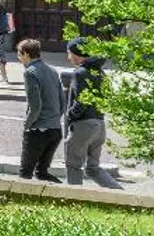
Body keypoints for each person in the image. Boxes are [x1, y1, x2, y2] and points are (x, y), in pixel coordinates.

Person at [63, 41, 124, 188]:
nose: (68, 56)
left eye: (70, 53)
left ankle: (73, 201)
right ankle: (120, 194)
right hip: (99, 125)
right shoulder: (100, 72)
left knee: (73, 166)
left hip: (83, 125)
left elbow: (81, 101)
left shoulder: (80, 73)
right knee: (93, 168)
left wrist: (69, 116)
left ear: (78, 55)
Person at [17, 36, 65, 179]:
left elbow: (35, 106)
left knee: (25, 173)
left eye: (19, 53)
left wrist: (27, 124)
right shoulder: (52, 70)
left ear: (26, 54)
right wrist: (54, 119)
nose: (18, 57)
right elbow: (62, 102)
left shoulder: (30, 73)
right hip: (55, 130)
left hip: (38, 131)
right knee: (42, 173)